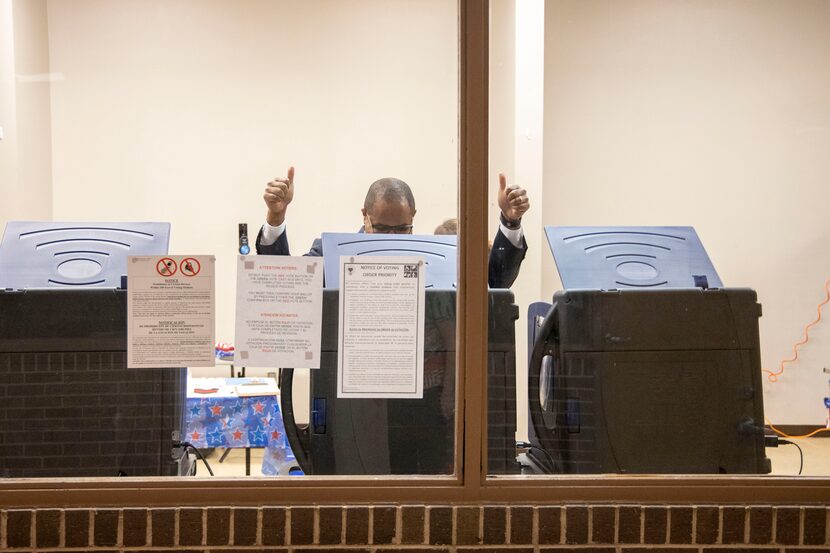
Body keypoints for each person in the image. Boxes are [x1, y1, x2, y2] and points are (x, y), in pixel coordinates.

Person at [256, 167, 530, 288]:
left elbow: (495, 282)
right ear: (364, 216)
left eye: (401, 229)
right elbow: (285, 285)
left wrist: (510, 221)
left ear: (413, 216)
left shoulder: (436, 256)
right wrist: (275, 217)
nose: (392, 238)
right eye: (382, 228)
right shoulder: (332, 255)